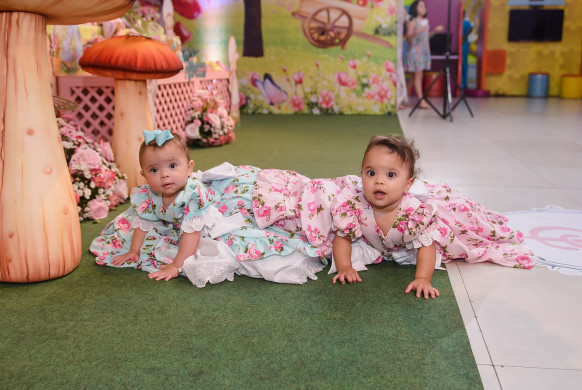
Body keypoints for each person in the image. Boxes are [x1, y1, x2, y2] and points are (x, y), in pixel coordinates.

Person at [253, 134, 536, 299]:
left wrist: (423, 278)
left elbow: (426, 247)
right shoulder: (353, 207)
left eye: (391, 175)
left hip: (406, 239)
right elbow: (343, 237)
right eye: (371, 173)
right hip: (377, 242)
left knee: (457, 233)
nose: (379, 181)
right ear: (361, 174)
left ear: (407, 184)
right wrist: (344, 266)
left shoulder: (413, 213)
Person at [90, 130, 325, 286]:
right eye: (154, 170)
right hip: (183, 217)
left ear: (189, 167)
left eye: (172, 166)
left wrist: (177, 265)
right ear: (144, 175)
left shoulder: (193, 196)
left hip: (215, 210)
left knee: (244, 232)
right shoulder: (147, 195)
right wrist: (134, 250)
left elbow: (191, 234)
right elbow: (144, 221)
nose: (164, 175)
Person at [403, 0, 443, 109]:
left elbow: (426, 37)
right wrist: (418, 31)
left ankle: (403, 98)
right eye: (421, 6)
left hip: (423, 52)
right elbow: (408, 38)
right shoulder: (412, 22)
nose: (424, 8)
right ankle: (421, 101)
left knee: (414, 77)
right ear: (415, 8)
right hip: (415, 52)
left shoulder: (425, 22)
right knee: (418, 76)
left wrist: (434, 31)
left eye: (424, 6)